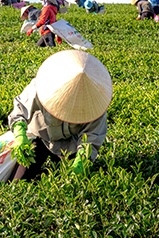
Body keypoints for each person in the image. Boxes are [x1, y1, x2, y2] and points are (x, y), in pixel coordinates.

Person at [8, 49, 113, 181]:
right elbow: (20, 109)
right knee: (18, 181)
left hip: (69, 145)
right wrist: (19, 133)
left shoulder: (96, 105)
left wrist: (81, 160)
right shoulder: (41, 86)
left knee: (71, 184)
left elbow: (92, 138)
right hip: (40, 137)